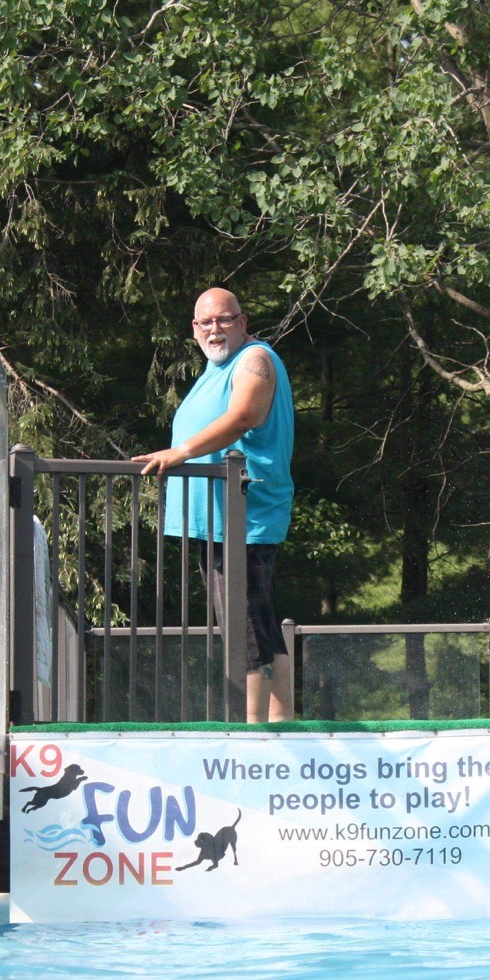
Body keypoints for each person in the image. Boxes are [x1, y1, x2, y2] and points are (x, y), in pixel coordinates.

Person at [133, 288, 295, 723]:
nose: (215, 329)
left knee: (244, 630)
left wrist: (181, 451)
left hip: (244, 514)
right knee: (258, 623)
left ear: (243, 322)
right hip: (222, 518)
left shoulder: (254, 359)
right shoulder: (216, 368)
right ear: (194, 329)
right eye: (206, 323)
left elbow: (244, 415)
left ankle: (254, 737)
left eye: (225, 320)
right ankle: (283, 725)